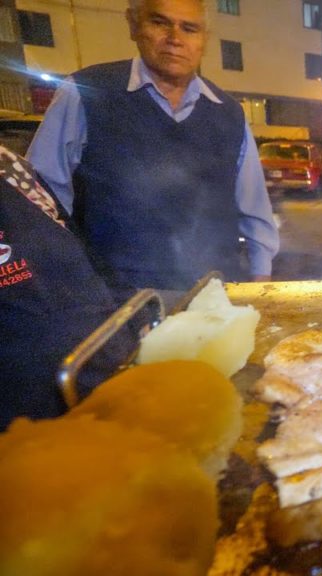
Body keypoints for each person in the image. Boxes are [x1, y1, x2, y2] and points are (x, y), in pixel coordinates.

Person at [28, 0, 279, 297]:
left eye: (189, 28)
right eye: (160, 23)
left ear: (204, 40)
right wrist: (66, 283)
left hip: (214, 294)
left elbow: (255, 209)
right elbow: (40, 200)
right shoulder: (86, 93)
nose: (175, 39)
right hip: (119, 298)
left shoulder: (229, 113)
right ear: (133, 25)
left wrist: (261, 284)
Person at [0, 145, 133, 430]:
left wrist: (136, 318)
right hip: (34, 420)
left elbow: (83, 255)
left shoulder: (10, 164)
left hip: (102, 379)